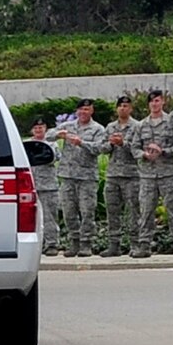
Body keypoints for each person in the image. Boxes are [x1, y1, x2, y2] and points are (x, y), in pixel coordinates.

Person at [129, 91, 173, 258]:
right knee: (146, 211)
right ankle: (144, 246)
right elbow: (134, 147)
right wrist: (144, 155)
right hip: (147, 176)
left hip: (167, 174)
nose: (154, 104)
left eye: (157, 101)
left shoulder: (172, 123)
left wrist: (164, 151)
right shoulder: (141, 125)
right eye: (151, 101)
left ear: (163, 102)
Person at [54, 100, 109, 258]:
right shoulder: (69, 125)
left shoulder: (97, 129)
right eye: (81, 109)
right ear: (77, 111)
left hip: (86, 178)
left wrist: (82, 143)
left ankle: (86, 244)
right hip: (68, 176)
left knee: (87, 212)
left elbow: (101, 148)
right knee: (68, 212)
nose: (83, 112)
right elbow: (49, 134)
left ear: (92, 111)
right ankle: (74, 242)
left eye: (87, 109)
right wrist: (59, 134)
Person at [102, 96, 142, 257]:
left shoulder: (137, 127)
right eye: (120, 106)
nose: (123, 109)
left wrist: (123, 143)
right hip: (113, 175)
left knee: (133, 211)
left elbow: (139, 150)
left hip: (131, 175)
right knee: (112, 211)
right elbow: (102, 148)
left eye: (126, 106)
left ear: (131, 109)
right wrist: (111, 143)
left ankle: (135, 244)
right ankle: (114, 245)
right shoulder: (111, 127)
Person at [27, 120, 62, 256]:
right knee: (31, 218)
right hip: (31, 186)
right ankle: (36, 244)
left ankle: (52, 244)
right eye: (35, 127)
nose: (38, 130)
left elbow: (54, 157)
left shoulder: (52, 144)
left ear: (45, 128)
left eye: (41, 127)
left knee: (49, 216)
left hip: (48, 186)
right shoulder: (26, 144)